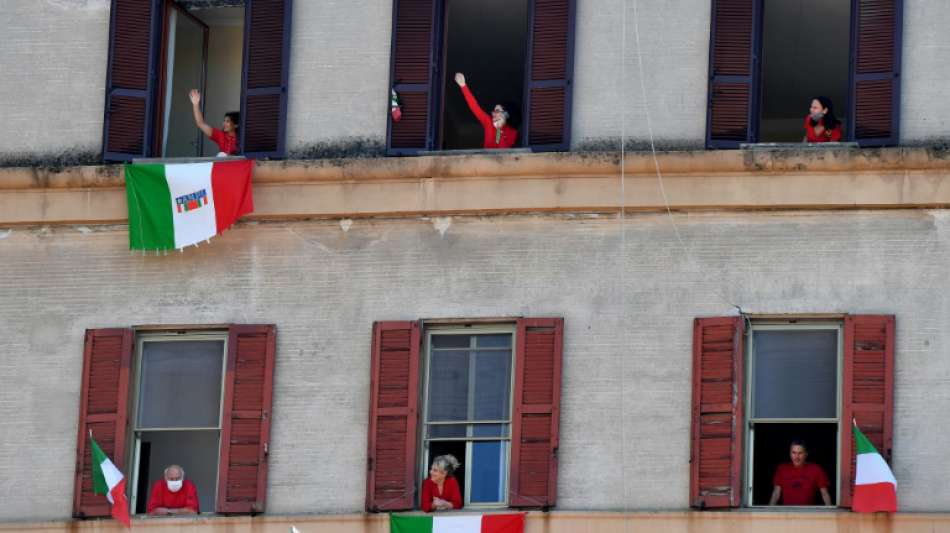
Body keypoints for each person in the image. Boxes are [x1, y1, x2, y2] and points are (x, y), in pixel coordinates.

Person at [453, 73, 518, 149]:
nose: (493, 113)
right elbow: (475, 107)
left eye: (497, 111)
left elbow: (502, 151)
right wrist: (463, 86)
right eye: (493, 111)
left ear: (506, 114)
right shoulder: (488, 122)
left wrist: (498, 129)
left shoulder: (512, 133)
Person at [769, 439, 832, 506]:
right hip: (787, 513)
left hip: (808, 513)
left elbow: (825, 494)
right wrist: (768, 512)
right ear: (790, 453)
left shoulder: (816, 469)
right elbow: (776, 494)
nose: (796, 457)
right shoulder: (782, 469)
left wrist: (831, 512)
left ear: (806, 454)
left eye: (800, 453)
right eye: (794, 453)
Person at [189, 89, 240, 156]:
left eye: (227, 121)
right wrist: (195, 104)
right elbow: (200, 124)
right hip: (223, 165)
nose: (224, 124)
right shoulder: (221, 135)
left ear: (236, 124)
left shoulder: (242, 138)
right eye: (224, 121)